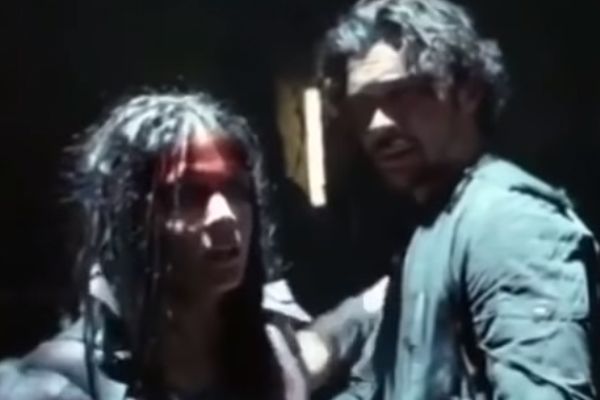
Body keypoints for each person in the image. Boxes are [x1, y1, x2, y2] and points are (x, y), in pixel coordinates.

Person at [314, 0, 600, 398]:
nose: (378, 125)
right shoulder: (435, 222)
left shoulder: (508, 223)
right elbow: (384, 384)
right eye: (363, 105)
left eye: (403, 95)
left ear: (469, 92)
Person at [0, 93, 308, 400]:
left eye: (236, 190)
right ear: (129, 218)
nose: (224, 215)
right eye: (188, 195)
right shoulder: (54, 385)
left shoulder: (268, 358)